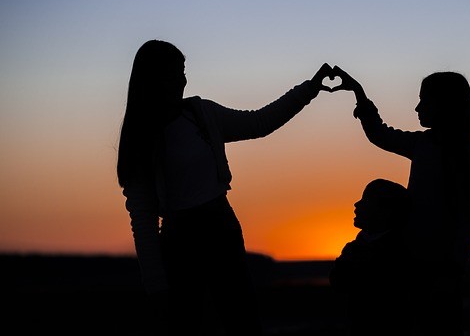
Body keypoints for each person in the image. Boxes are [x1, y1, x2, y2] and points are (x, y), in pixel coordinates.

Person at [116, 39, 335, 335]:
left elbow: (258, 122)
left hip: (222, 229)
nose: (182, 79)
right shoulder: (141, 140)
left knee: (243, 325)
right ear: (153, 80)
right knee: (184, 328)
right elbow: (143, 221)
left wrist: (309, 89)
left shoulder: (201, 114)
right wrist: (156, 285)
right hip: (180, 244)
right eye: (173, 73)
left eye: (183, 71)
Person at [331, 66, 470, 336]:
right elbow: (380, 134)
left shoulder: (463, 156)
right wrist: (359, 94)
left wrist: (452, 269)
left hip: (440, 270)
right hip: (409, 263)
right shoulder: (423, 144)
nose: (417, 108)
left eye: (424, 100)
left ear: (445, 105)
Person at [329, 178, 412, 336]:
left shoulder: (398, 251)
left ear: (385, 211)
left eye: (365, 200)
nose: (356, 204)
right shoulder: (353, 248)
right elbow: (337, 282)